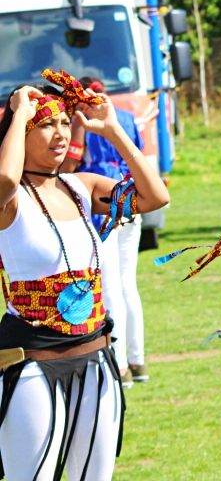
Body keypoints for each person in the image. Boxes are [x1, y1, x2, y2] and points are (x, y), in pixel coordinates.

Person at [0, 70, 169, 480]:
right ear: (19, 130)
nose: (60, 133)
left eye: (64, 122)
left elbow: (155, 196)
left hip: (96, 361)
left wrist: (113, 130)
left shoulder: (82, 187)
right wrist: (20, 110)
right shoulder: (9, 200)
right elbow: (6, 176)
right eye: (45, 124)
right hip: (32, 367)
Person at [61, 77, 147, 388]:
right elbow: (138, 149)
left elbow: (71, 162)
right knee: (128, 284)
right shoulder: (123, 116)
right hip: (129, 196)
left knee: (110, 286)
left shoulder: (80, 122)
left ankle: (120, 364)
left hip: (103, 203)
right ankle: (137, 359)